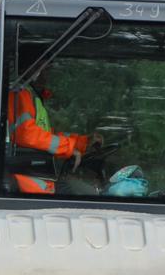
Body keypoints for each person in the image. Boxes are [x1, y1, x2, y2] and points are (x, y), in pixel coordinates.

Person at [7, 65, 101, 195]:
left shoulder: (29, 94)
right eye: (45, 69)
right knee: (92, 194)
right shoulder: (19, 93)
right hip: (30, 180)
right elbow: (27, 135)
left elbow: (46, 135)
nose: (47, 75)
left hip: (39, 175)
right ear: (33, 69)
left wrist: (82, 143)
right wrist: (68, 148)